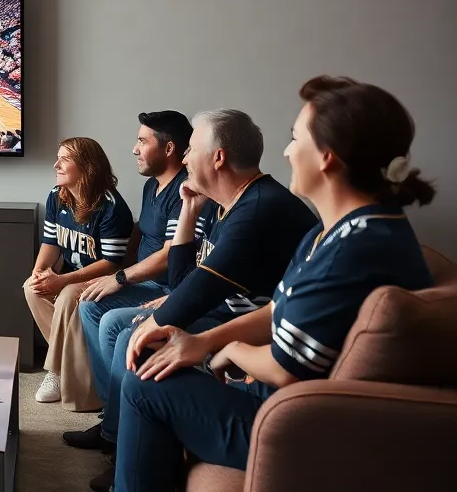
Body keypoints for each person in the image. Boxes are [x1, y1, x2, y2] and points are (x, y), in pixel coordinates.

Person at [114, 78, 435, 491]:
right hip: (277, 403)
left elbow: (285, 370)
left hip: (295, 426)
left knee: (145, 386)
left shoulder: (354, 250)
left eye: (294, 138)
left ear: (327, 158)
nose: (284, 151)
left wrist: (228, 349)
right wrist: (208, 342)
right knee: (152, 366)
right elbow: (277, 309)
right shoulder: (338, 231)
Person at [85, 109, 317, 492]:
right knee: (135, 333)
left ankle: (128, 451)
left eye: (192, 149)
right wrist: (190, 210)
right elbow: (181, 283)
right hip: (230, 315)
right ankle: (125, 445)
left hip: (247, 327)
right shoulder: (220, 202)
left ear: (218, 158)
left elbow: (187, 295)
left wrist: (156, 326)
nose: (186, 158)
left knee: (137, 338)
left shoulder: (259, 209)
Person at [65, 111, 194, 451]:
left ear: (168, 149)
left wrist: (120, 277)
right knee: (90, 304)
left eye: (142, 141)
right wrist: (113, 272)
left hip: (167, 288)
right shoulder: (153, 185)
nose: (134, 149)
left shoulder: (184, 190)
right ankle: (113, 415)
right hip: (146, 283)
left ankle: (116, 431)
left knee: (110, 321)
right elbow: (141, 232)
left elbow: (169, 253)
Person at [25, 138, 134, 408]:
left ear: (87, 167)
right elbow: (50, 243)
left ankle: (55, 371)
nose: (56, 164)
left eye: (65, 160)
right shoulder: (56, 194)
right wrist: (40, 272)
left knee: (66, 296)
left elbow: (111, 262)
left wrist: (61, 280)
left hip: (105, 279)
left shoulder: (111, 206)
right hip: (73, 273)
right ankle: (67, 363)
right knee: (31, 287)